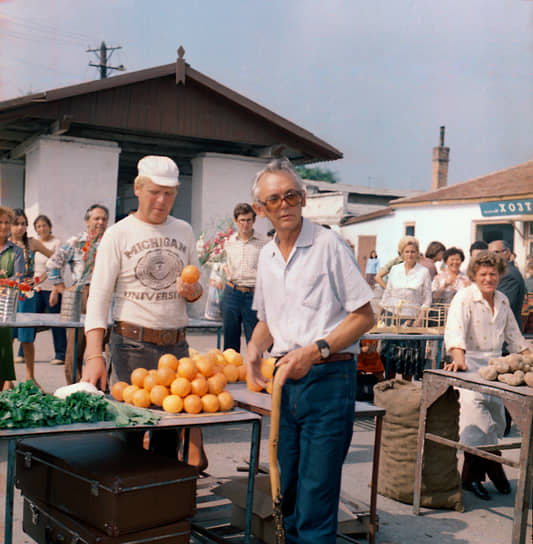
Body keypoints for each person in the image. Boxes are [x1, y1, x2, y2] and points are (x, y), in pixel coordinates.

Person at [246, 158, 375, 543]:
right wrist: (253, 349)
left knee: (316, 501)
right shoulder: (267, 256)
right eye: (274, 199)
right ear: (260, 209)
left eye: (291, 195)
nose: (284, 205)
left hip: (328, 380)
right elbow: (269, 318)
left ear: (303, 199)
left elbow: (365, 315)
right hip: (285, 383)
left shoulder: (328, 245)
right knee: (285, 492)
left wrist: (314, 351)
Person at [82, 155, 207, 469]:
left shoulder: (185, 230)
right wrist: (94, 354)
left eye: (169, 193)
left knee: (168, 434)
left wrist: (194, 292)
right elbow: (98, 296)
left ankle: (162, 506)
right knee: (131, 433)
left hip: (177, 347)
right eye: (155, 192)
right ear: (137, 188)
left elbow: (199, 294)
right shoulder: (118, 233)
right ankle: (127, 507)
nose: (162, 200)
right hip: (132, 347)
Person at [444, 250, 532, 500]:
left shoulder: (503, 300)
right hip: (470, 367)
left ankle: (491, 469)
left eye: (493, 273)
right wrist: (459, 359)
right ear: (474, 275)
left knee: (495, 423)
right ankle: (473, 477)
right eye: (483, 274)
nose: (488, 278)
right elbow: (455, 331)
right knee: (477, 423)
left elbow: (515, 337)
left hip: (495, 368)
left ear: (499, 275)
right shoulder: (464, 298)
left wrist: (529, 358)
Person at [47, 204, 109, 384]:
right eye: (96, 218)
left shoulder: (110, 242)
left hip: (106, 295)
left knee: (105, 343)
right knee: (76, 343)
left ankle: (100, 385)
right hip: (82, 294)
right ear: (87, 221)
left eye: (104, 219)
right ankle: (74, 384)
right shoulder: (75, 242)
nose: (100, 222)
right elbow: (52, 264)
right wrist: (61, 288)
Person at [10, 209, 54, 388]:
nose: (20, 227)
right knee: (6, 338)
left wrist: (39, 279)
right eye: (16, 223)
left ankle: (30, 378)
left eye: (23, 223)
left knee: (27, 338)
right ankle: (6, 380)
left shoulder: (32, 243)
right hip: (6, 296)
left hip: (27, 296)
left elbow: (56, 259)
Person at [379, 236, 432, 379]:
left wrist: (419, 320)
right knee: (389, 359)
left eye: (413, 251)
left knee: (408, 361)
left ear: (417, 253)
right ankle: (388, 391)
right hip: (392, 317)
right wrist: (379, 318)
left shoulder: (424, 272)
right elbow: (387, 294)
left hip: (411, 319)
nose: (410, 254)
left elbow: (427, 299)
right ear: (402, 253)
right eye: (407, 251)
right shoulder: (395, 270)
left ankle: (406, 393)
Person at [221, 203, 267, 352]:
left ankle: (254, 374)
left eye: (248, 220)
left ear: (254, 220)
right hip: (231, 294)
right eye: (242, 220)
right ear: (235, 221)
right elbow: (221, 263)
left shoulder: (265, 243)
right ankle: (231, 374)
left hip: (253, 295)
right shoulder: (228, 242)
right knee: (230, 343)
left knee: (254, 343)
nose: (245, 224)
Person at [33, 214, 66, 366]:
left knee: (55, 322)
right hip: (36, 288)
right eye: (39, 226)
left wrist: (55, 288)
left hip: (51, 287)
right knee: (29, 320)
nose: (42, 228)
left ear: (50, 226)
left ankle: (60, 354)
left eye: (44, 225)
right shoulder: (34, 243)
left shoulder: (56, 243)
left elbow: (57, 265)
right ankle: (22, 352)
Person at [0, 207, 24, 391]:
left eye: (7, 222)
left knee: (2, 355)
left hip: (3, 310)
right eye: (0, 222)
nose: (4, 225)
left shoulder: (16, 252)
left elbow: (18, 280)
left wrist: (6, 283)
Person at [488, 240, 526, 330]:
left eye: (496, 252)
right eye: (489, 254)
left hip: (505, 334)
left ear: (507, 253)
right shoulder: (502, 272)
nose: (492, 257)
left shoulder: (508, 275)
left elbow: (501, 307)